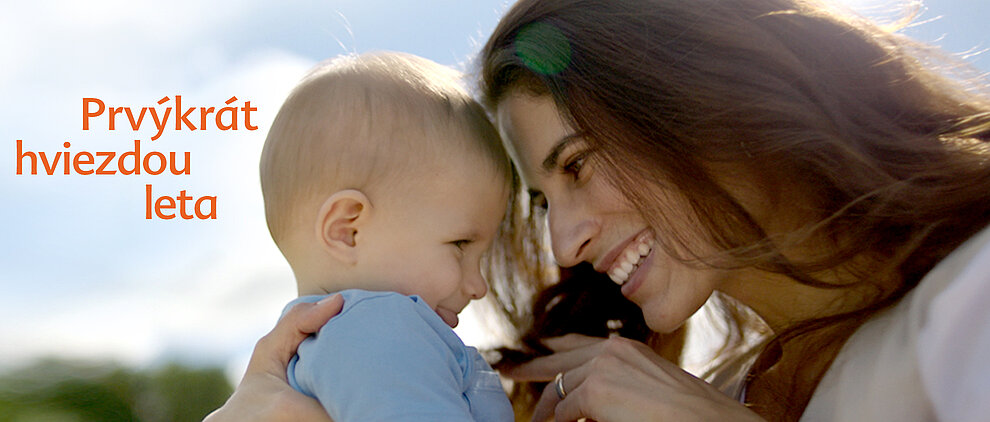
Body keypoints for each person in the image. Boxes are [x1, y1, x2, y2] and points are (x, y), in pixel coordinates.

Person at [206, 1, 990, 421]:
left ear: (704, 100)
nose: (563, 243)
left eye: (578, 163)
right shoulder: (700, 393)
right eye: (543, 201)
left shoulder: (971, 299)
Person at [245, 51, 514, 421]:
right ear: (348, 231)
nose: (478, 286)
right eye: (461, 245)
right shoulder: (374, 328)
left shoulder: (330, 347)